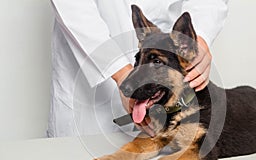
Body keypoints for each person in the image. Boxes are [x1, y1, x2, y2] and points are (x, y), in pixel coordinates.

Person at [48, 0, 228, 137]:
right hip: (88, 97)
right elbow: (73, 8)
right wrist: (121, 73)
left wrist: (197, 39)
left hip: (173, 91)